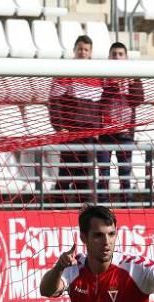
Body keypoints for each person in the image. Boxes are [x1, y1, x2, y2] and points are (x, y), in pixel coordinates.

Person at [48, 35, 103, 195]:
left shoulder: (98, 76)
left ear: (90, 52)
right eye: (80, 49)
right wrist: (59, 127)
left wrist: (99, 129)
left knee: (85, 173)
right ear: (74, 50)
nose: (82, 52)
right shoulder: (65, 73)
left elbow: (100, 106)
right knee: (67, 171)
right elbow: (54, 101)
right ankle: (58, 208)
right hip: (71, 131)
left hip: (90, 132)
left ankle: (83, 210)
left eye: (86, 49)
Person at [97, 42, 144, 201]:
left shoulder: (133, 77)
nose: (117, 57)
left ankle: (127, 204)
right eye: (114, 54)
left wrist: (131, 85)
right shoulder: (102, 77)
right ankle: (102, 205)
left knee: (125, 172)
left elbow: (138, 100)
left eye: (120, 54)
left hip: (125, 133)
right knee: (103, 172)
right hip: (105, 132)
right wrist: (111, 88)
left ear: (126, 57)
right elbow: (97, 101)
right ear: (109, 57)